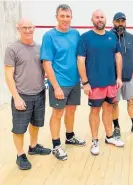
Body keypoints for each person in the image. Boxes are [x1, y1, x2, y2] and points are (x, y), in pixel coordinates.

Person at [4, 18, 51, 170]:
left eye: (30, 27)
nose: (28, 30)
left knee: (36, 123)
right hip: (22, 95)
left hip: (39, 93)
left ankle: (33, 146)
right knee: (19, 128)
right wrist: (16, 97)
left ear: (34, 28)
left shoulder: (39, 48)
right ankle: (20, 155)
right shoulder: (12, 49)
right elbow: (8, 75)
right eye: (24, 28)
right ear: (19, 29)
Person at [40, 4, 86, 161]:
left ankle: (70, 136)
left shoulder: (75, 34)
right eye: (62, 16)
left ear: (71, 17)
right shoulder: (49, 36)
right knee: (57, 113)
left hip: (74, 82)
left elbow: (80, 58)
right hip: (59, 83)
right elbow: (46, 63)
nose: (65, 19)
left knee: (71, 110)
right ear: (57, 17)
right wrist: (56, 86)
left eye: (68, 16)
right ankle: (56, 145)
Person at [77, 9, 125, 155]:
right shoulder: (85, 38)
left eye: (102, 17)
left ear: (106, 19)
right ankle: (95, 140)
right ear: (92, 20)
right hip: (94, 84)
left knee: (109, 108)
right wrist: (85, 82)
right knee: (95, 111)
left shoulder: (112, 37)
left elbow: (118, 57)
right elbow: (80, 60)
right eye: (97, 17)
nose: (100, 19)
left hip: (110, 82)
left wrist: (119, 78)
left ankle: (109, 137)